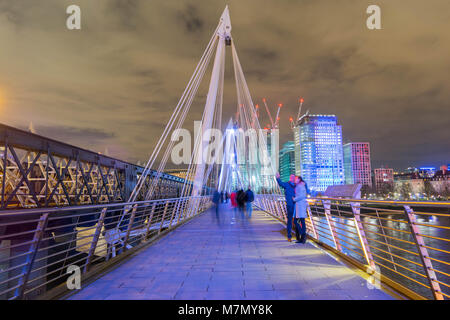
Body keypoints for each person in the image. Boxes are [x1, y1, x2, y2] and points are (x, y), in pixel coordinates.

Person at [276, 172, 296, 242]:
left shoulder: (296, 186)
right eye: (291, 177)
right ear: (290, 178)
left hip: (297, 206)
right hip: (290, 205)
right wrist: (278, 178)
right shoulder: (287, 185)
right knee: (290, 221)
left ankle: (299, 236)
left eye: (293, 177)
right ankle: (289, 236)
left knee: (297, 221)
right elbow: (281, 184)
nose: (292, 178)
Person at [293, 176, 310, 243]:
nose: (295, 180)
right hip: (299, 206)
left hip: (301, 206)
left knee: (298, 221)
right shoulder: (299, 185)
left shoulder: (301, 186)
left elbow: (302, 196)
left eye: (296, 179)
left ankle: (303, 235)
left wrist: (294, 199)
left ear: (299, 179)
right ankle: (302, 237)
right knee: (301, 221)